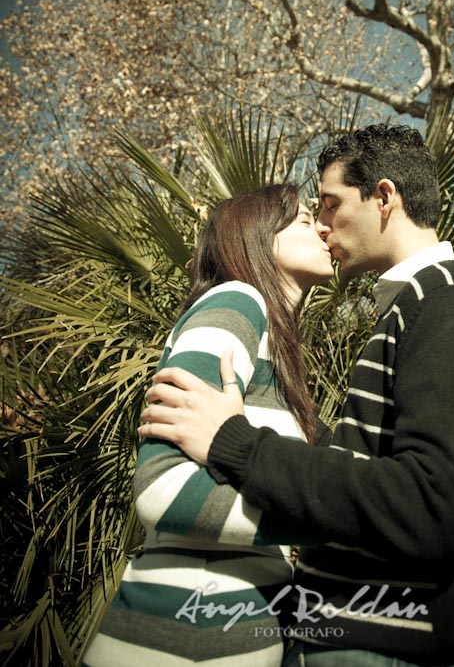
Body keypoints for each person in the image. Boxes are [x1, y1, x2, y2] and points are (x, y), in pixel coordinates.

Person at [139, 125, 454, 667]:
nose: (322, 226)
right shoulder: (416, 307)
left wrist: (237, 444)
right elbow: (367, 474)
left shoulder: (449, 304)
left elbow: (430, 508)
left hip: (389, 647)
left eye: (330, 204)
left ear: (385, 197)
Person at [82, 183, 335, 667]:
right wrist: (328, 519)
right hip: (172, 644)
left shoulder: (276, 354)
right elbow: (163, 491)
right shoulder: (237, 302)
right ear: (257, 236)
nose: (323, 227)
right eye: (305, 220)